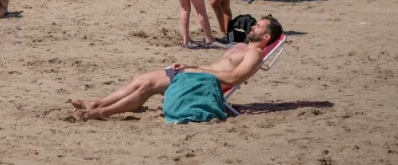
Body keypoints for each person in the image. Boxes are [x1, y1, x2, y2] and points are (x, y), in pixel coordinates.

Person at [70, 16, 283, 120]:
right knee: (139, 78)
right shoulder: (241, 46)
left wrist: (196, 70)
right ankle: (97, 102)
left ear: (266, 37)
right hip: (196, 73)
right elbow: (219, 67)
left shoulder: (254, 55)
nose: (253, 26)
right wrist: (192, 66)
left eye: (258, 27)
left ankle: (101, 112)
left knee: (147, 86)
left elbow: (234, 78)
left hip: (203, 81)